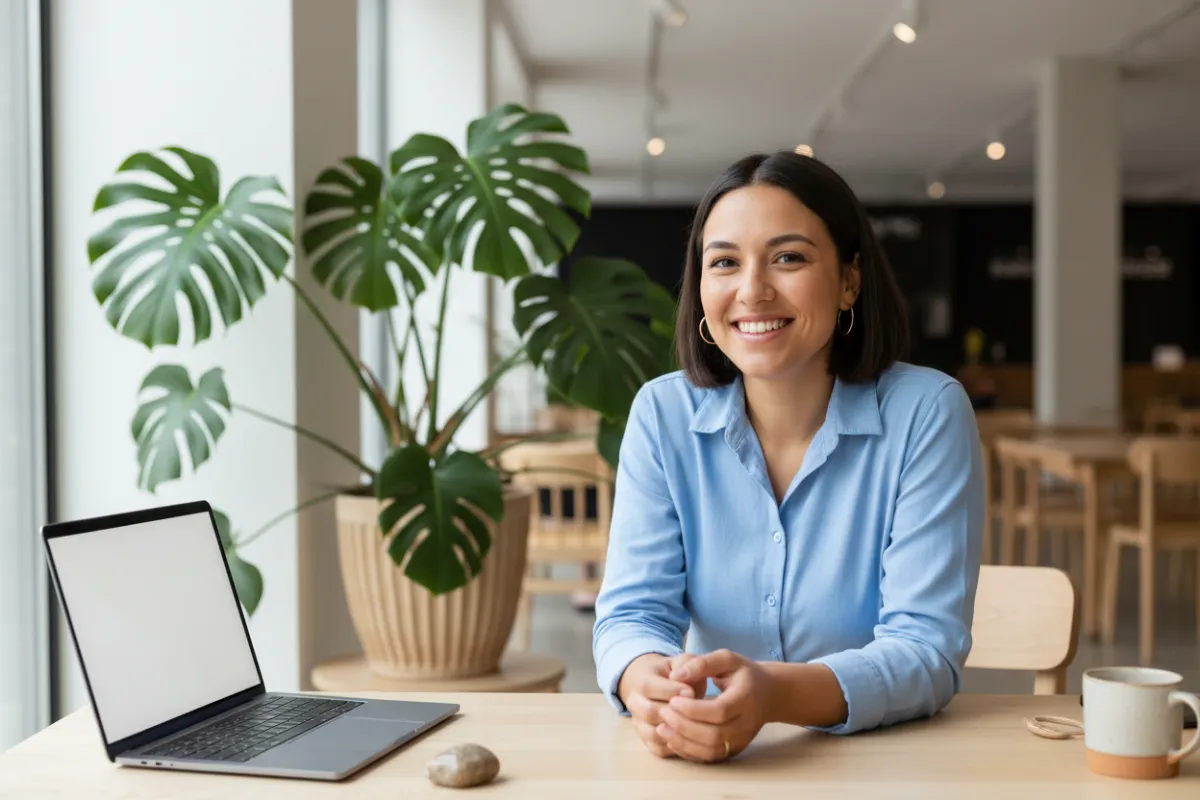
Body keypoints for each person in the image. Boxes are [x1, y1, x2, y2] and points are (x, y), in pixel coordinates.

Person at [591, 150, 984, 763]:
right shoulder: (661, 415)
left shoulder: (927, 412)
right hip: (706, 765)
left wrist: (774, 695)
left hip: (883, 765)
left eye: (788, 258)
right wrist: (649, 683)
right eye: (724, 262)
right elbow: (632, 614)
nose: (752, 290)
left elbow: (924, 649)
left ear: (850, 279)